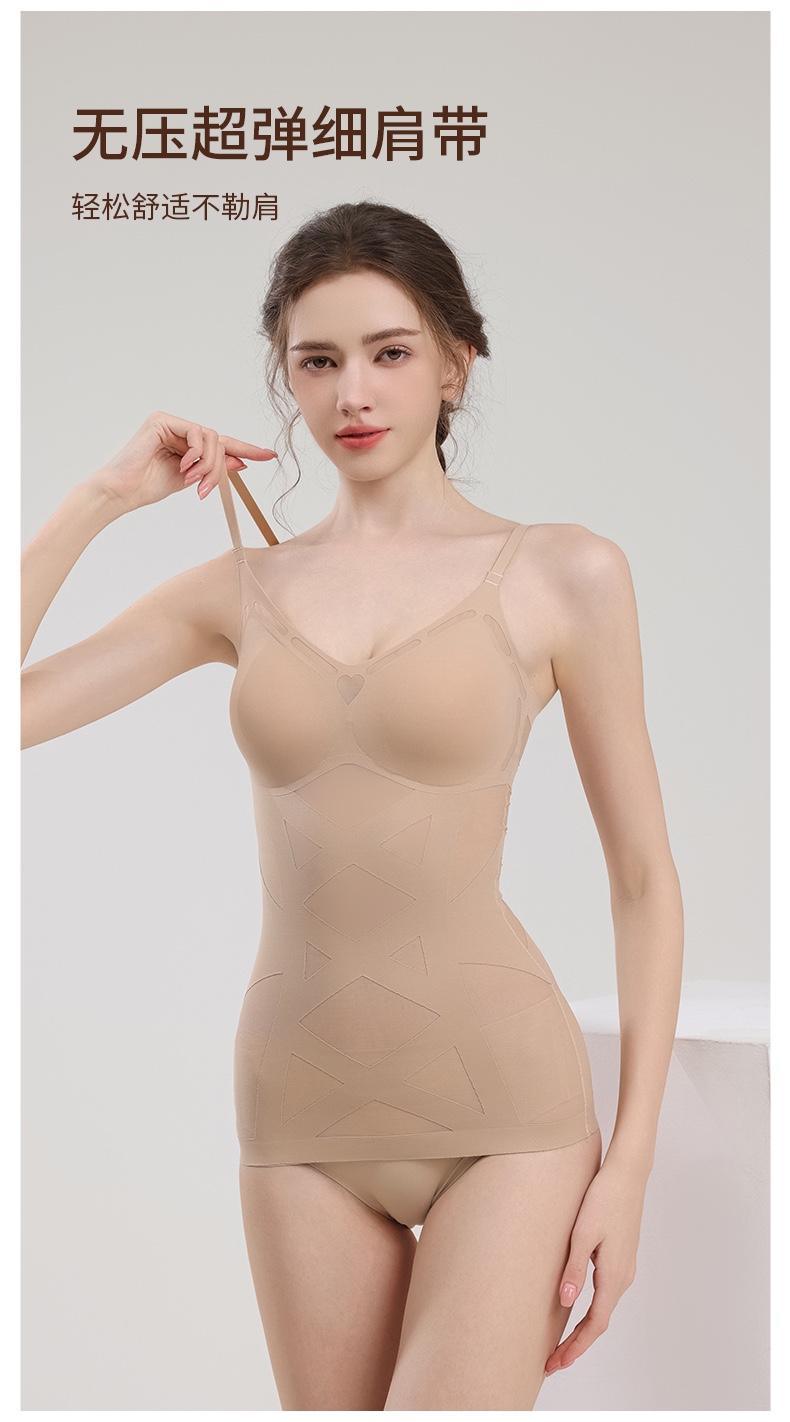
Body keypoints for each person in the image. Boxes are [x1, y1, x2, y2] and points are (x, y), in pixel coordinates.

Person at [21, 200, 684, 1410]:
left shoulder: (563, 571)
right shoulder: (237, 586)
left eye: (389, 352)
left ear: (455, 362)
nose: (353, 394)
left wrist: (631, 1162)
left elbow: (641, 877)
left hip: (505, 1114)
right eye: (316, 362)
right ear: (286, 378)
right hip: (297, 1114)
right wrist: (101, 498)